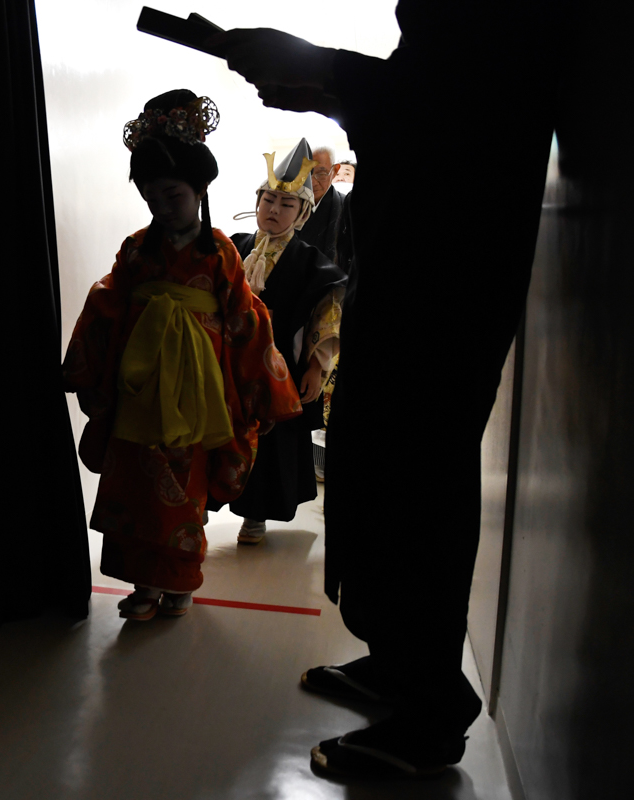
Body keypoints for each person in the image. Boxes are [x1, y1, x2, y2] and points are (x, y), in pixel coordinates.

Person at [206, 3, 557, 779]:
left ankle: (428, 713)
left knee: (413, 491)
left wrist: (325, 70)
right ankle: (401, 666)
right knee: (378, 478)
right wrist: (327, 83)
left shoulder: (501, 41)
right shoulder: (456, 46)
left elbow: (454, 105)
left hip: (442, 301)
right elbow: (421, 99)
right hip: (412, 293)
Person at [63, 89, 301, 622]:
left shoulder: (220, 253)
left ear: (199, 189)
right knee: (135, 482)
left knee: (183, 484)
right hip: (140, 380)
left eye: (171, 194)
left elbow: (246, 320)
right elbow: (106, 305)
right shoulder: (135, 249)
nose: (160, 206)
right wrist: (88, 369)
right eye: (150, 196)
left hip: (197, 387)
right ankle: (143, 586)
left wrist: (261, 390)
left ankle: (177, 584)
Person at [214, 139, 345, 544]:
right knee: (219, 428)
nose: (274, 209)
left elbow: (327, 313)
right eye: (268, 200)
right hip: (229, 362)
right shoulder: (233, 247)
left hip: (278, 365)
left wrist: (316, 367)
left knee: (270, 443)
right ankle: (202, 501)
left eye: (286, 204)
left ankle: (255, 514)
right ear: (257, 202)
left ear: (303, 212)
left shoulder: (311, 262)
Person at [294, 145, 344, 263]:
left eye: (321, 174)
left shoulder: (347, 206)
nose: (312, 182)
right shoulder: (289, 205)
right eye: (306, 173)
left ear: (335, 171)